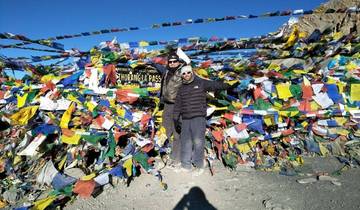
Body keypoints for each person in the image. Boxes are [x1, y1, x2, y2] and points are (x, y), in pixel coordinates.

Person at [173, 65, 235, 176]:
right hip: (186, 119)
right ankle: (186, 165)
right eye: (184, 73)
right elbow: (177, 105)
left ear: (192, 72)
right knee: (186, 142)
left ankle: (199, 166)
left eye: (188, 72)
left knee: (198, 142)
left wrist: (228, 85)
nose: (186, 75)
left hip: (198, 117)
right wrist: (176, 119)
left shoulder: (201, 83)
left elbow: (215, 85)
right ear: (182, 76)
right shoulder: (181, 88)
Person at [150, 51, 188, 168]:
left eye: (174, 61)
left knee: (177, 132)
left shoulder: (184, 72)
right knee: (166, 129)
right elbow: (160, 67)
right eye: (170, 61)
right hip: (167, 105)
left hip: (178, 106)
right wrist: (152, 63)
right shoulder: (166, 71)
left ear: (178, 61)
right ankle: (170, 152)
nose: (172, 63)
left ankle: (177, 158)